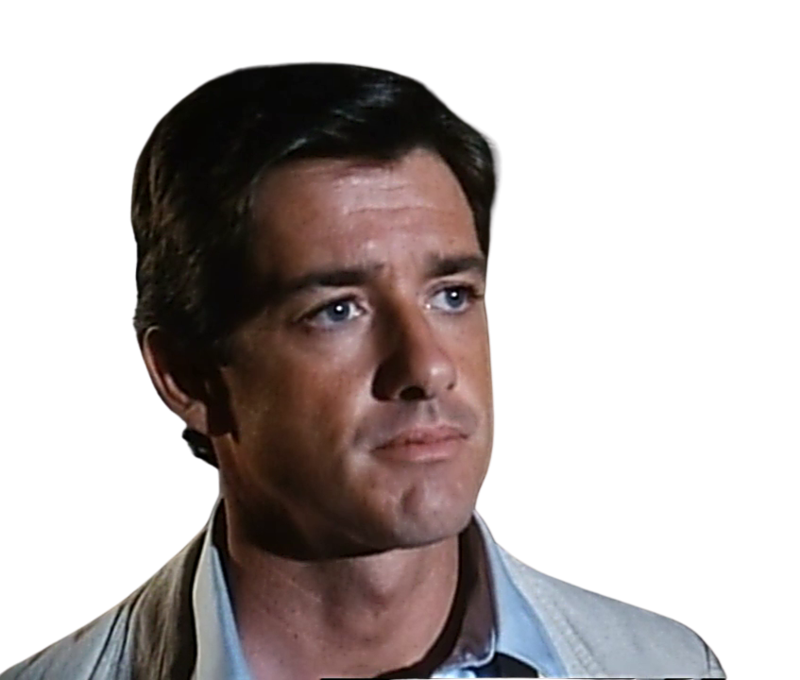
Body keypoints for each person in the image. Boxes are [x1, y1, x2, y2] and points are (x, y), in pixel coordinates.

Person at [1, 61, 726, 680]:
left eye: (451, 295)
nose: (428, 368)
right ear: (187, 378)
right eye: (338, 310)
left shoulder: (663, 665)